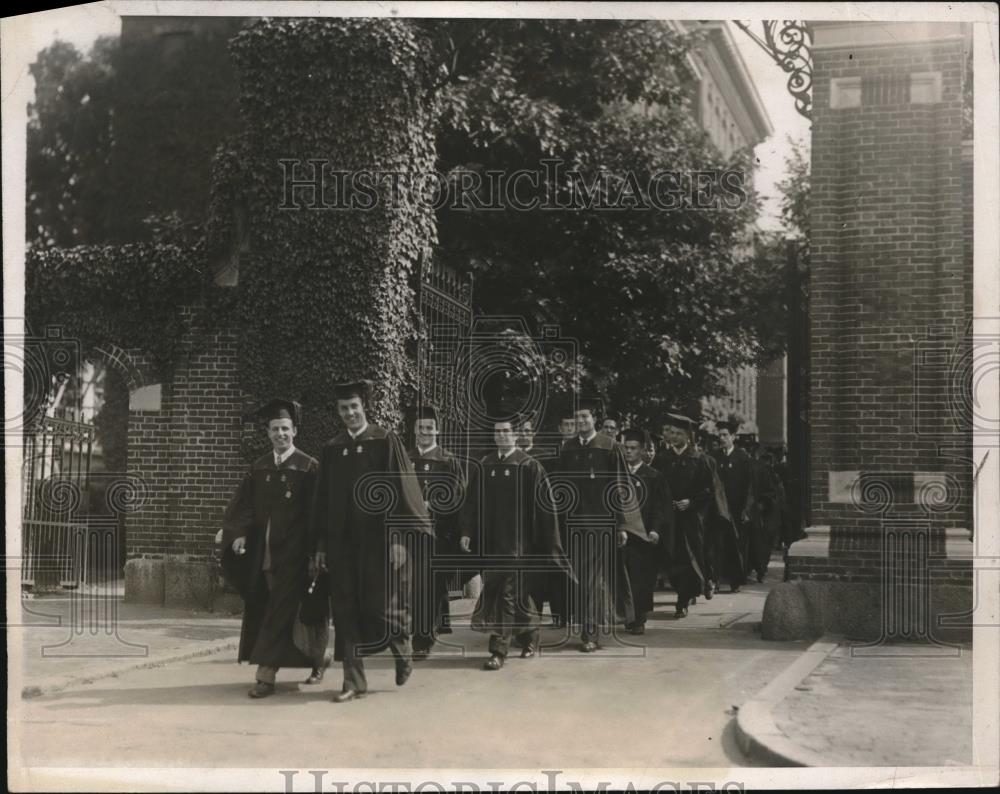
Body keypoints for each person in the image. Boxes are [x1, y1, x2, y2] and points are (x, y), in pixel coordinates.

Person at [310, 380, 432, 703]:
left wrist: (398, 540)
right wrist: (321, 545)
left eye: (354, 407)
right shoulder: (332, 448)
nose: (350, 413)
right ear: (338, 411)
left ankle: (402, 647)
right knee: (346, 610)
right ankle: (353, 681)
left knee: (381, 607)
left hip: (380, 542)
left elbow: (401, 493)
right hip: (341, 544)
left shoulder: (384, 441)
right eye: (344, 408)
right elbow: (322, 502)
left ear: (364, 407)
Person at [221, 399, 325, 698]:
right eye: (275, 429)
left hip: (295, 556)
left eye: (285, 429)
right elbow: (242, 506)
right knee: (272, 610)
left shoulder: (308, 467)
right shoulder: (260, 467)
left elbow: (319, 515)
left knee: (281, 611)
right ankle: (318, 659)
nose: (281, 434)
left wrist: (318, 551)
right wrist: (238, 534)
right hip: (263, 556)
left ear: (295, 431)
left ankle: (265, 675)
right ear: (268, 433)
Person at [459, 415, 571, 670]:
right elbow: (472, 502)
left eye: (506, 431)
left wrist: (547, 541)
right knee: (511, 592)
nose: (501, 436)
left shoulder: (529, 465)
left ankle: (498, 651)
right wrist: (467, 531)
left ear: (516, 434)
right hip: (492, 542)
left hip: (519, 544)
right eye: (497, 432)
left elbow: (545, 507)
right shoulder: (486, 464)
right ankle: (530, 634)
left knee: (507, 593)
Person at [553, 397, 646, 651]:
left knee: (593, 579)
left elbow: (621, 486)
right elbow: (560, 487)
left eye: (585, 416)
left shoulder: (610, 446)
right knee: (579, 579)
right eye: (577, 417)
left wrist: (622, 525)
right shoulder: (568, 448)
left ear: (594, 419)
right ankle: (587, 626)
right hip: (574, 525)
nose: (581, 421)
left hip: (601, 525)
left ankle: (590, 633)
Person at [407, 405, 469, 659]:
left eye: (430, 428)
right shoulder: (406, 459)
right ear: (414, 430)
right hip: (411, 533)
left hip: (438, 533)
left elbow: (459, 496)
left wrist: (433, 505)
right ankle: (438, 622)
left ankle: (422, 639)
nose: (425, 432)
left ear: (438, 431)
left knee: (430, 584)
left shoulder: (448, 460)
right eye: (421, 428)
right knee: (419, 584)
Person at [652, 413, 713, 618]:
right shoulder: (662, 459)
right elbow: (655, 487)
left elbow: (708, 490)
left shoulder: (699, 459)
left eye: (680, 433)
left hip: (691, 519)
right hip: (670, 519)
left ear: (688, 436)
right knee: (671, 558)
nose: (675, 437)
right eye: (674, 433)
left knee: (688, 559)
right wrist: (665, 503)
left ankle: (683, 600)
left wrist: (691, 502)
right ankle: (683, 592)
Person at [619, 428, 673, 634]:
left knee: (642, 579)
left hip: (644, 536)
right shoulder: (618, 474)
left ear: (642, 451)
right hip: (622, 535)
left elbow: (661, 508)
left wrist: (656, 530)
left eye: (633, 448)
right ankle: (627, 615)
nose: (628, 452)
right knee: (624, 578)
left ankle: (639, 618)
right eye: (626, 448)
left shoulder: (654, 476)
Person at [710, 421, 751, 593]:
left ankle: (735, 581)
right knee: (717, 545)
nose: (722, 438)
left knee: (735, 545)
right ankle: (716, 579)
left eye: (725, 435)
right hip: (718, 510)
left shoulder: (742, 457)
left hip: (736, 509)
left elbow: (749, 485)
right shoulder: (714, 457)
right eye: (720, 435)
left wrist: (746, 509)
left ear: (733, 437)